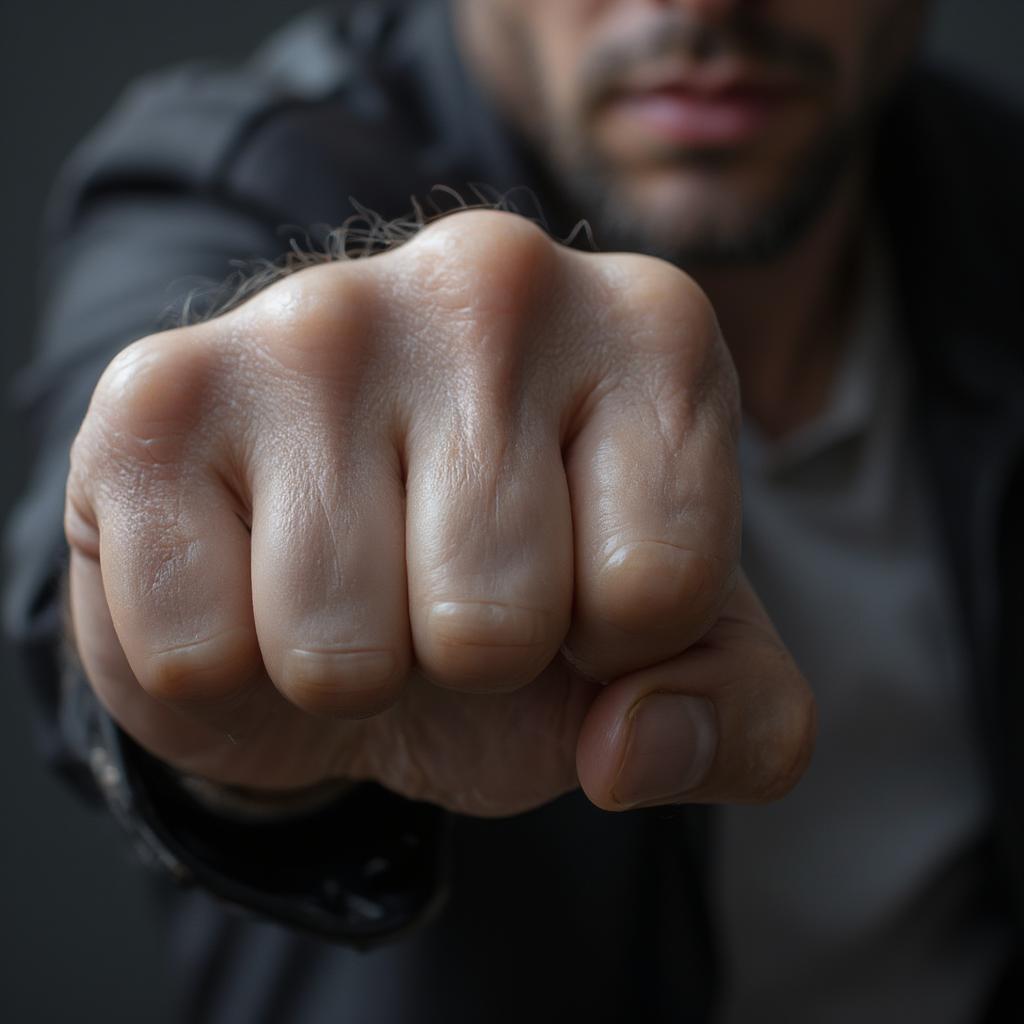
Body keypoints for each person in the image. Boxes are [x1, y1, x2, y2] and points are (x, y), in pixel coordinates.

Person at [5, 0, 1023, 1021]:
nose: (703, 7)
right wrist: (197, 666)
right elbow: (101, 508)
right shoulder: (227, 170)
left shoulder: (994, 196)